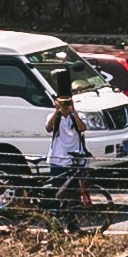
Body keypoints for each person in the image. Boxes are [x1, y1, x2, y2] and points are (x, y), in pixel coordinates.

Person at [43, 75, 99, 229]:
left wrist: (73, 111)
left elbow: (82, 128)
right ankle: (55, 222)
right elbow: (48, 128)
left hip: (74, 160)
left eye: (67, 102)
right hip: (57, 159)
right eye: (63, 102)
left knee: (73, 193)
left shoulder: (77, 116)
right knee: (57, 192)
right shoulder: (53, 116)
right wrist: (57, 111)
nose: (65, 105)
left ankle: (72, 223)